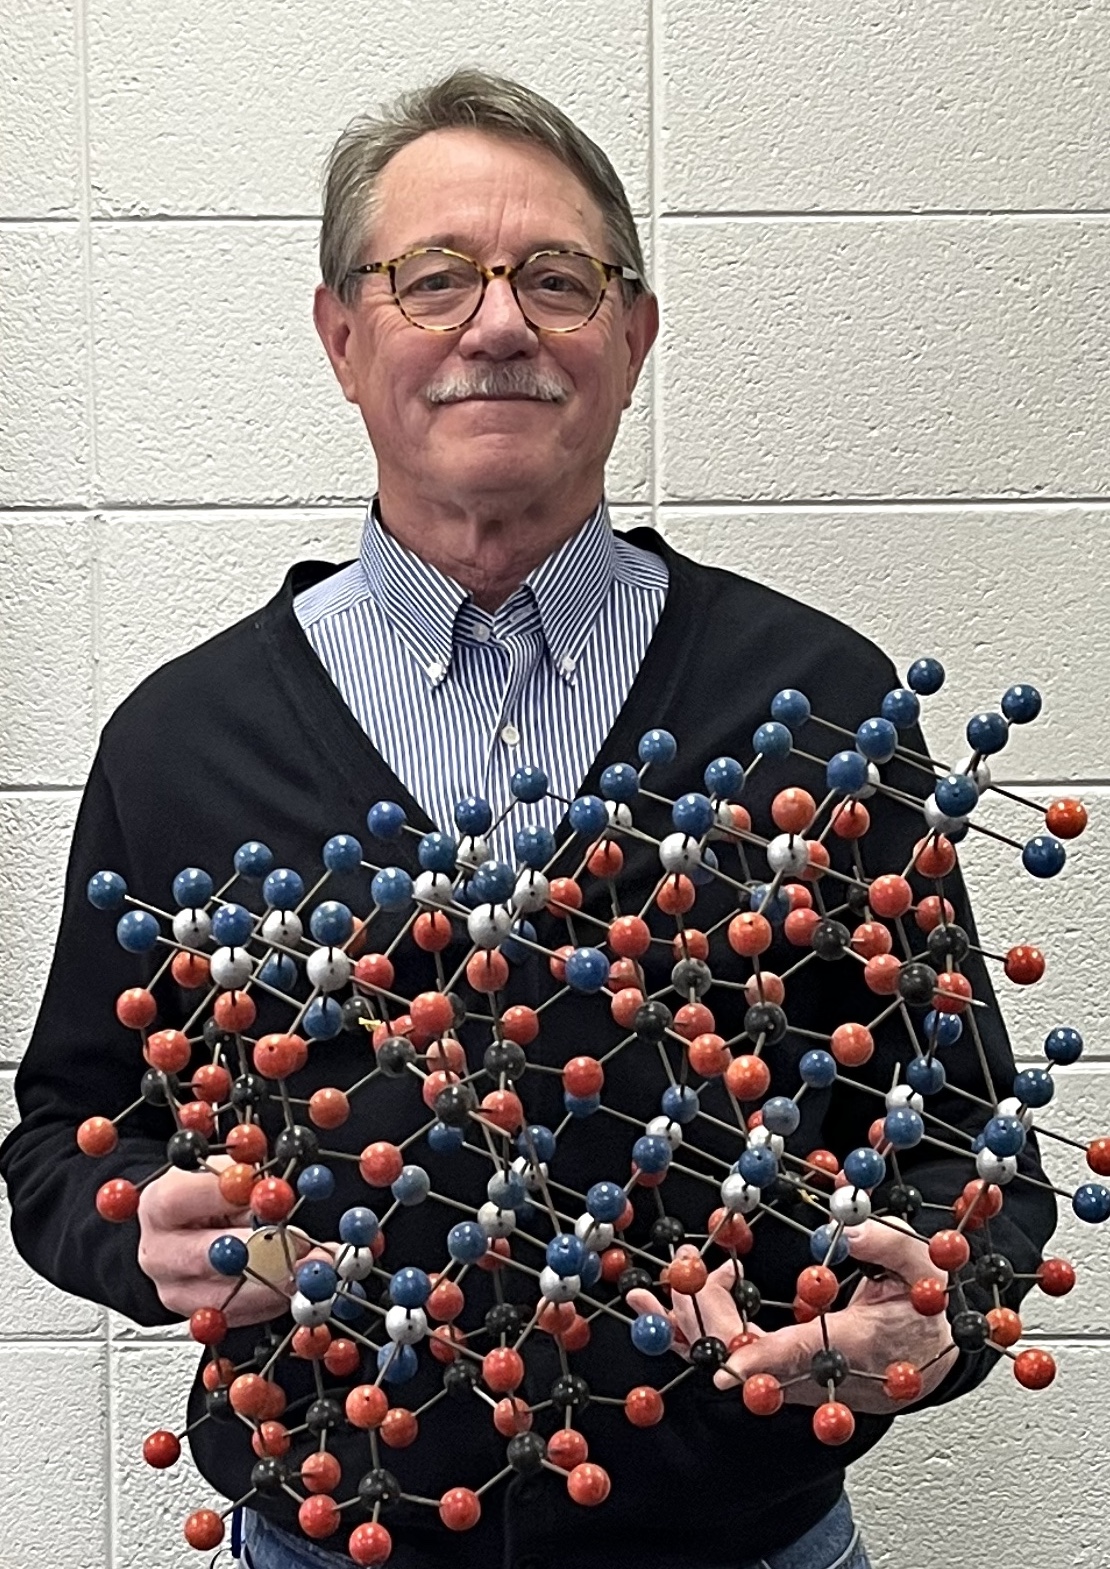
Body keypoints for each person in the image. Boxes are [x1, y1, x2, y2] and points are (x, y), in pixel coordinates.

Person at [0, 69, 1055, 1569]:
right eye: (433, 277)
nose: (497, 322)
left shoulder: (814, 697)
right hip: (326, 1541)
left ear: (631, 337)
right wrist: (136, 1228)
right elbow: (60, 1142)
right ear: (340, 337)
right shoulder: (182, 738)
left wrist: (927, 1316)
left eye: (556, 278)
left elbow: (968, 1138)